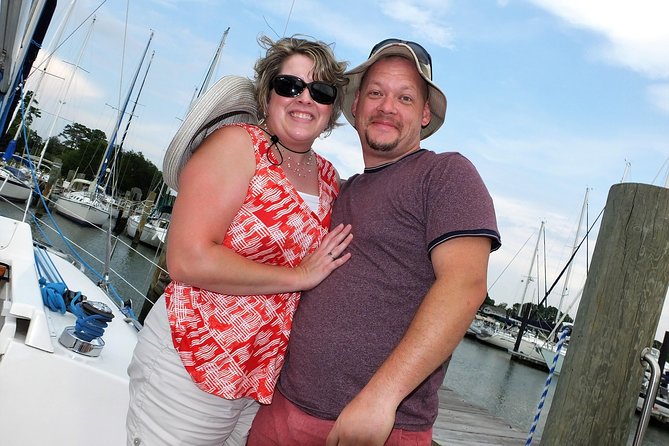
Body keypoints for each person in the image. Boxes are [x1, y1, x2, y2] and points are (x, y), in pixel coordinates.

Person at [247, 38, 502, 446]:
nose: (387, 106)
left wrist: (381, 398)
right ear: (357, 105)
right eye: (377, 93)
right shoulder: (340, 190)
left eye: (404, 97)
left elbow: (464, 285)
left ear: (423, 114)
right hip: (283, 411)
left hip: (376, 426)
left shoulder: (445, 175)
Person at [126, 35, 351, 446]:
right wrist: (299, 276)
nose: (304, 98)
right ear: (267, 94)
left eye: (320, 91)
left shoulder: (330, 178)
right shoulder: (237, 146)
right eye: (290, 86)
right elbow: (188, 260)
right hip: (194, 358)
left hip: (258, 377)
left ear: (332, 108)